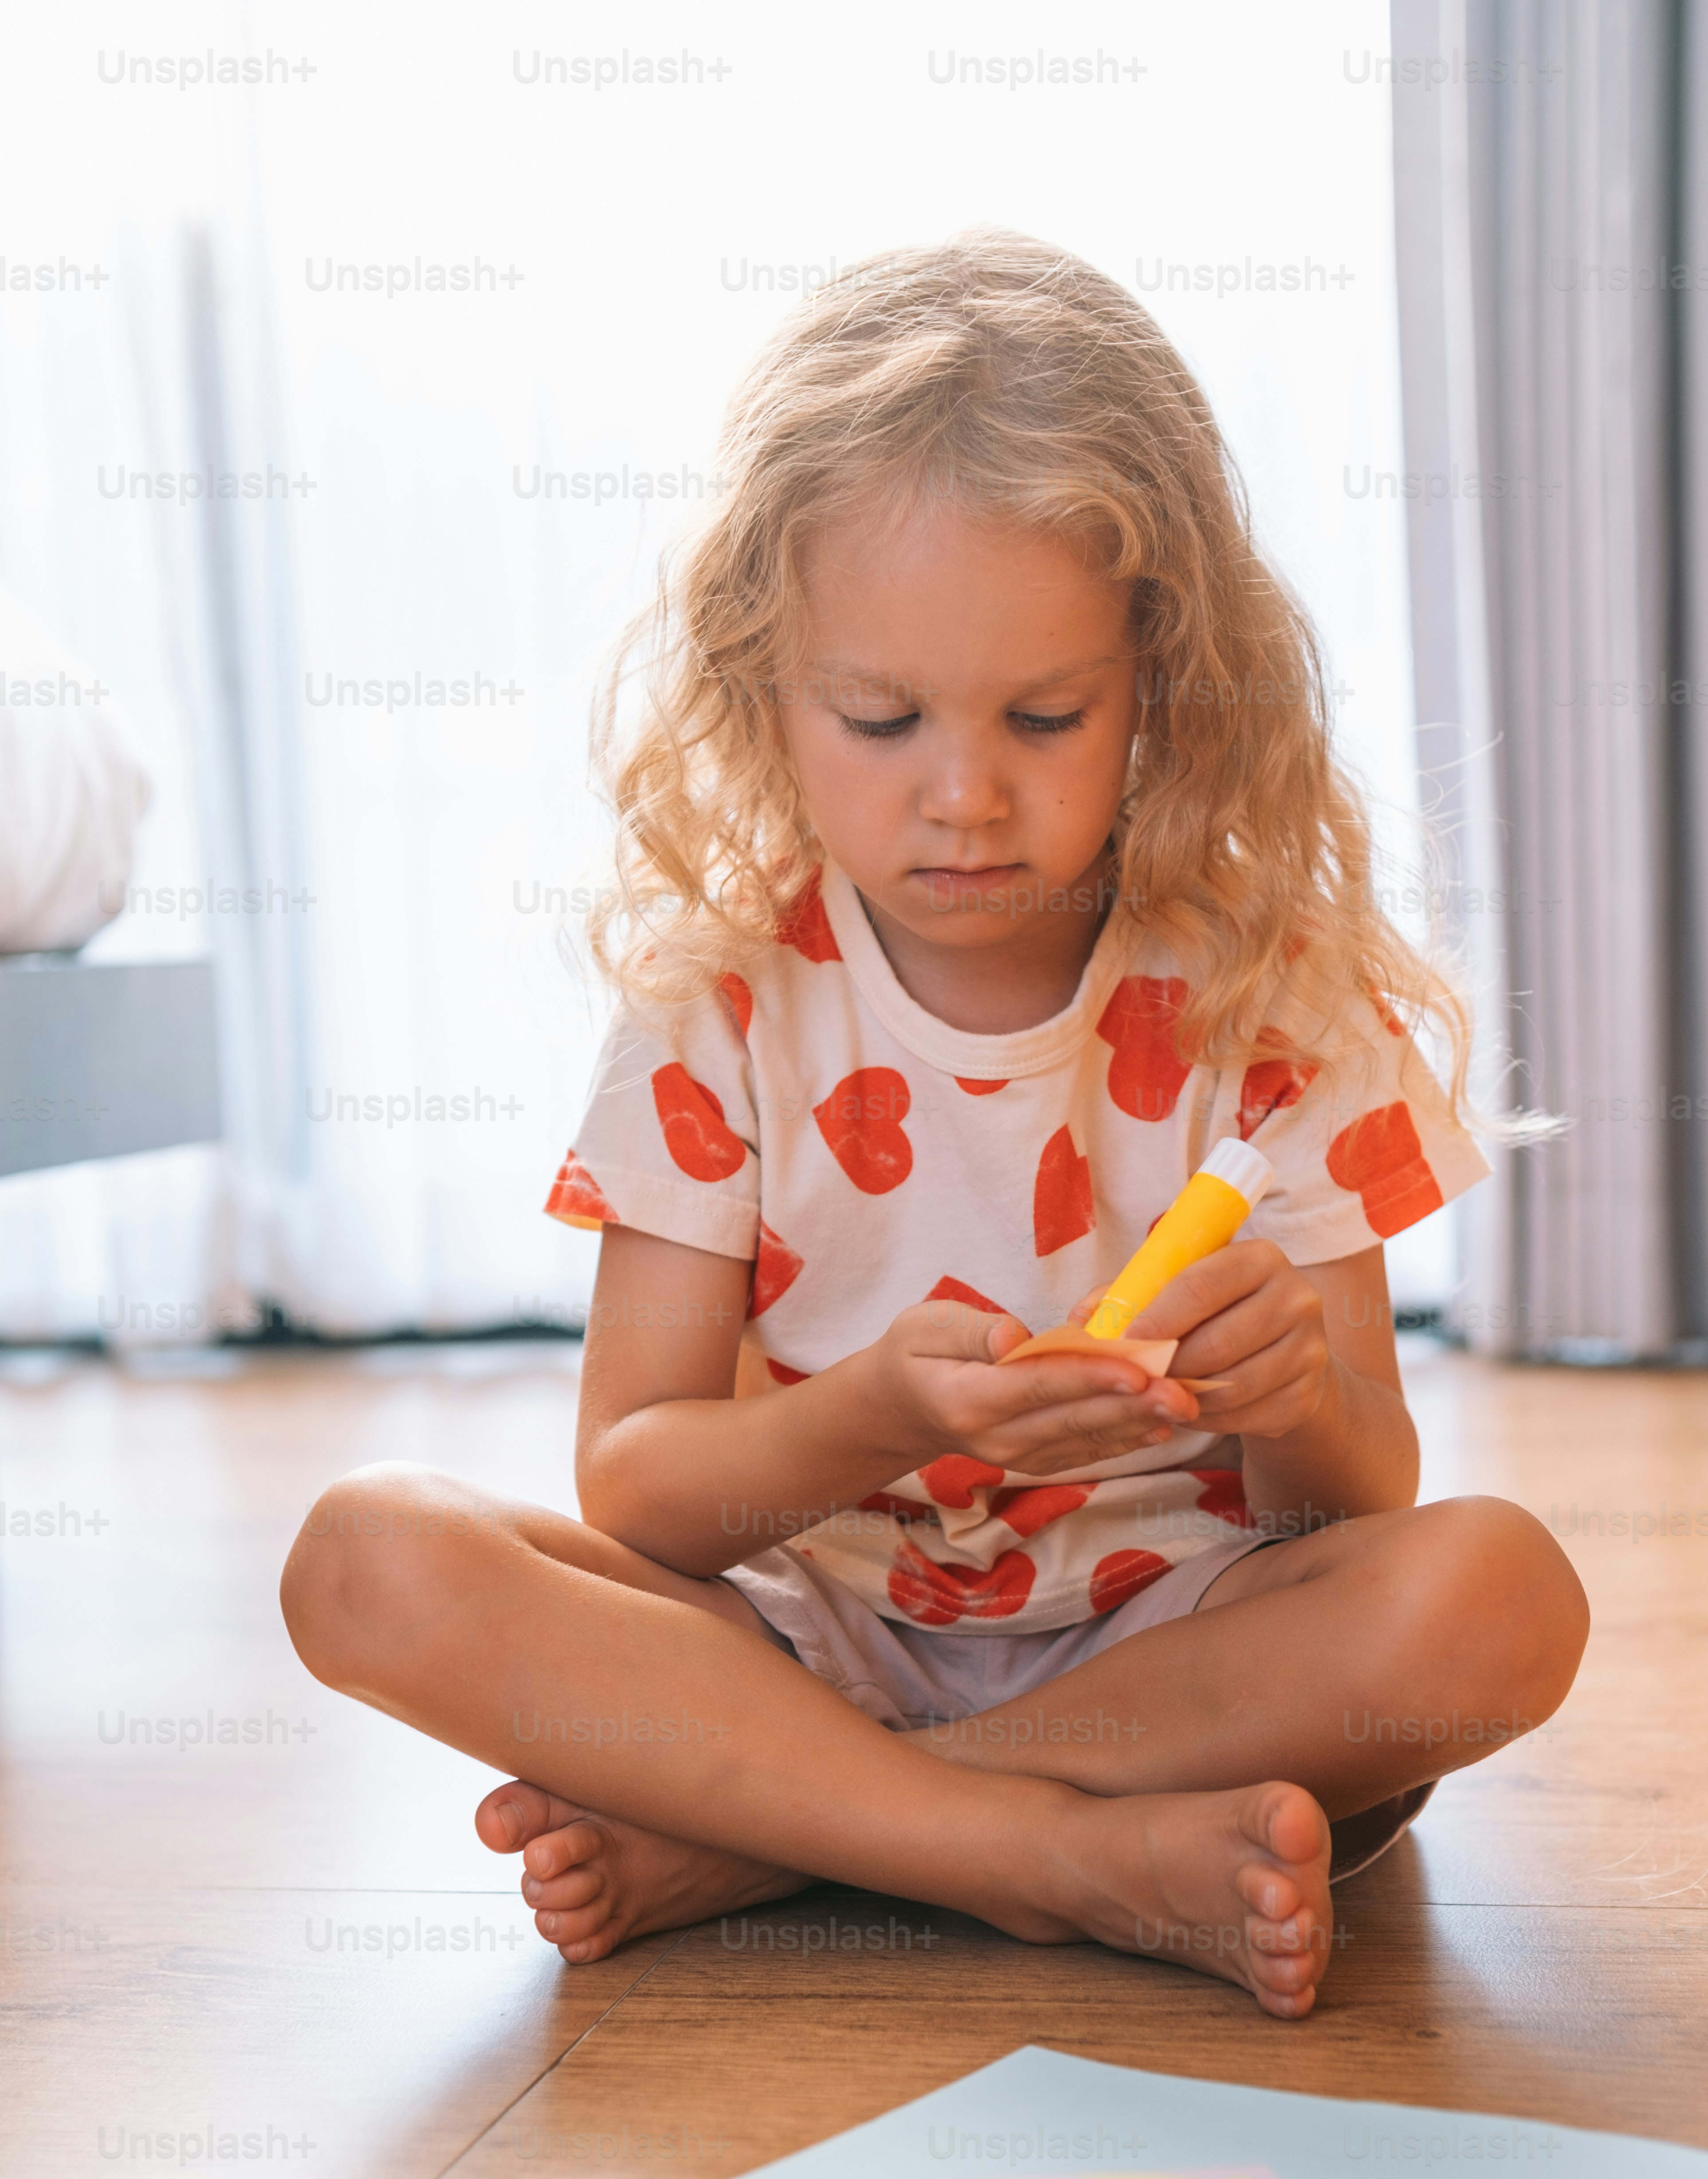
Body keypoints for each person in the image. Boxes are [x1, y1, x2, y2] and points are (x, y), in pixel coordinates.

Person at [282, 233, 1588, 2018]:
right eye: (879, 719)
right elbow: (643, 1489)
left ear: (1159, 680)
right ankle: (1046, 1857)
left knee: (1498, 1599)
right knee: (366, 1557)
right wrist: (875, 1415)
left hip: (1172, 1651)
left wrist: (1285, 1399)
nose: (962, 797)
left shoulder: (1267, 994)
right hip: (805, 1641)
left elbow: (1350, 1510)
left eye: (1043, 718)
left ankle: (786, 1843)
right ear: (763, 687)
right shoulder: (724, 1000)